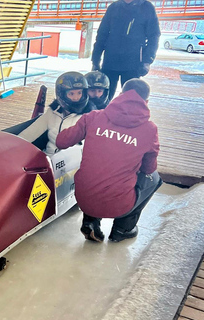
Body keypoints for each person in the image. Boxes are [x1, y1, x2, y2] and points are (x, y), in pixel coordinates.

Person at [56, 79, 162, 242]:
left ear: (120, 95)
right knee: (154, 178)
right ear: (146, 102)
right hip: (120, 203)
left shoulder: (93, 117)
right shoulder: (149, 129)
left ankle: (91, 221)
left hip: (84, 198)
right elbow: (149, 169)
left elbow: (62, 141)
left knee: (99, 169)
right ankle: (123, 229)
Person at [91, 0, 161, 100]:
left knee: (130, 101)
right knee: (102, 100)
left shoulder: (146, 7)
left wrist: (147, 61)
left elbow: (154, 36)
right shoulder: (114, 7)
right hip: (110, 62)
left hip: (133, 64)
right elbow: (102, 35)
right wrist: (95, 60)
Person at [17, 71, 94, 157]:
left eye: (79, 93)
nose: (76, 97)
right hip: (48, 159)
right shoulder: (52, 112)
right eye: (71, 93)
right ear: (62, 94)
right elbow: (32, 131)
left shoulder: (89, 117)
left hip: (72, 163)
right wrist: (12, 145)